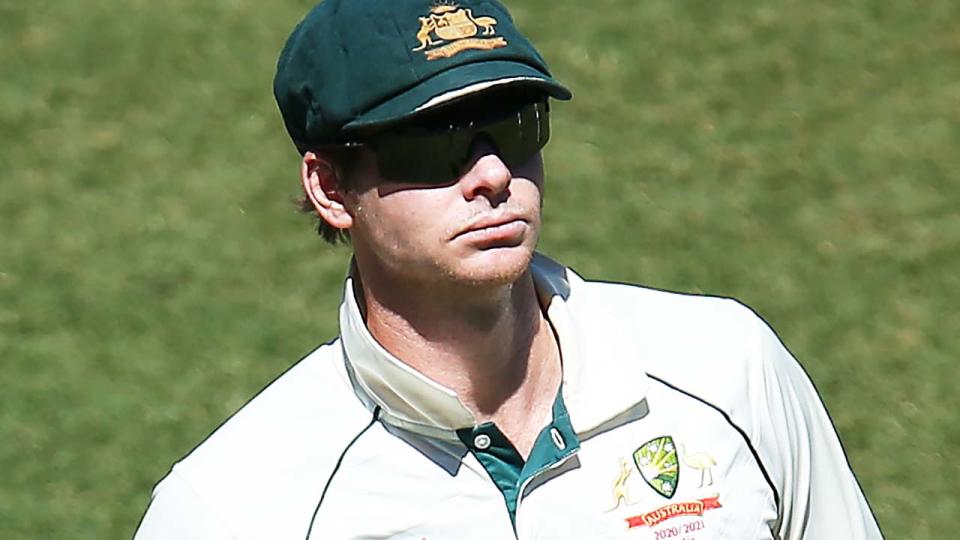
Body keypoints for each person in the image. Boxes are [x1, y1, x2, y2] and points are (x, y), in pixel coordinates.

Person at [135, 0, 884, 538]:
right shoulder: (236, 508)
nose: (492, 172)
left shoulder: (726, 372)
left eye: (516, 126)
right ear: (331, 188)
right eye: (434, 145)